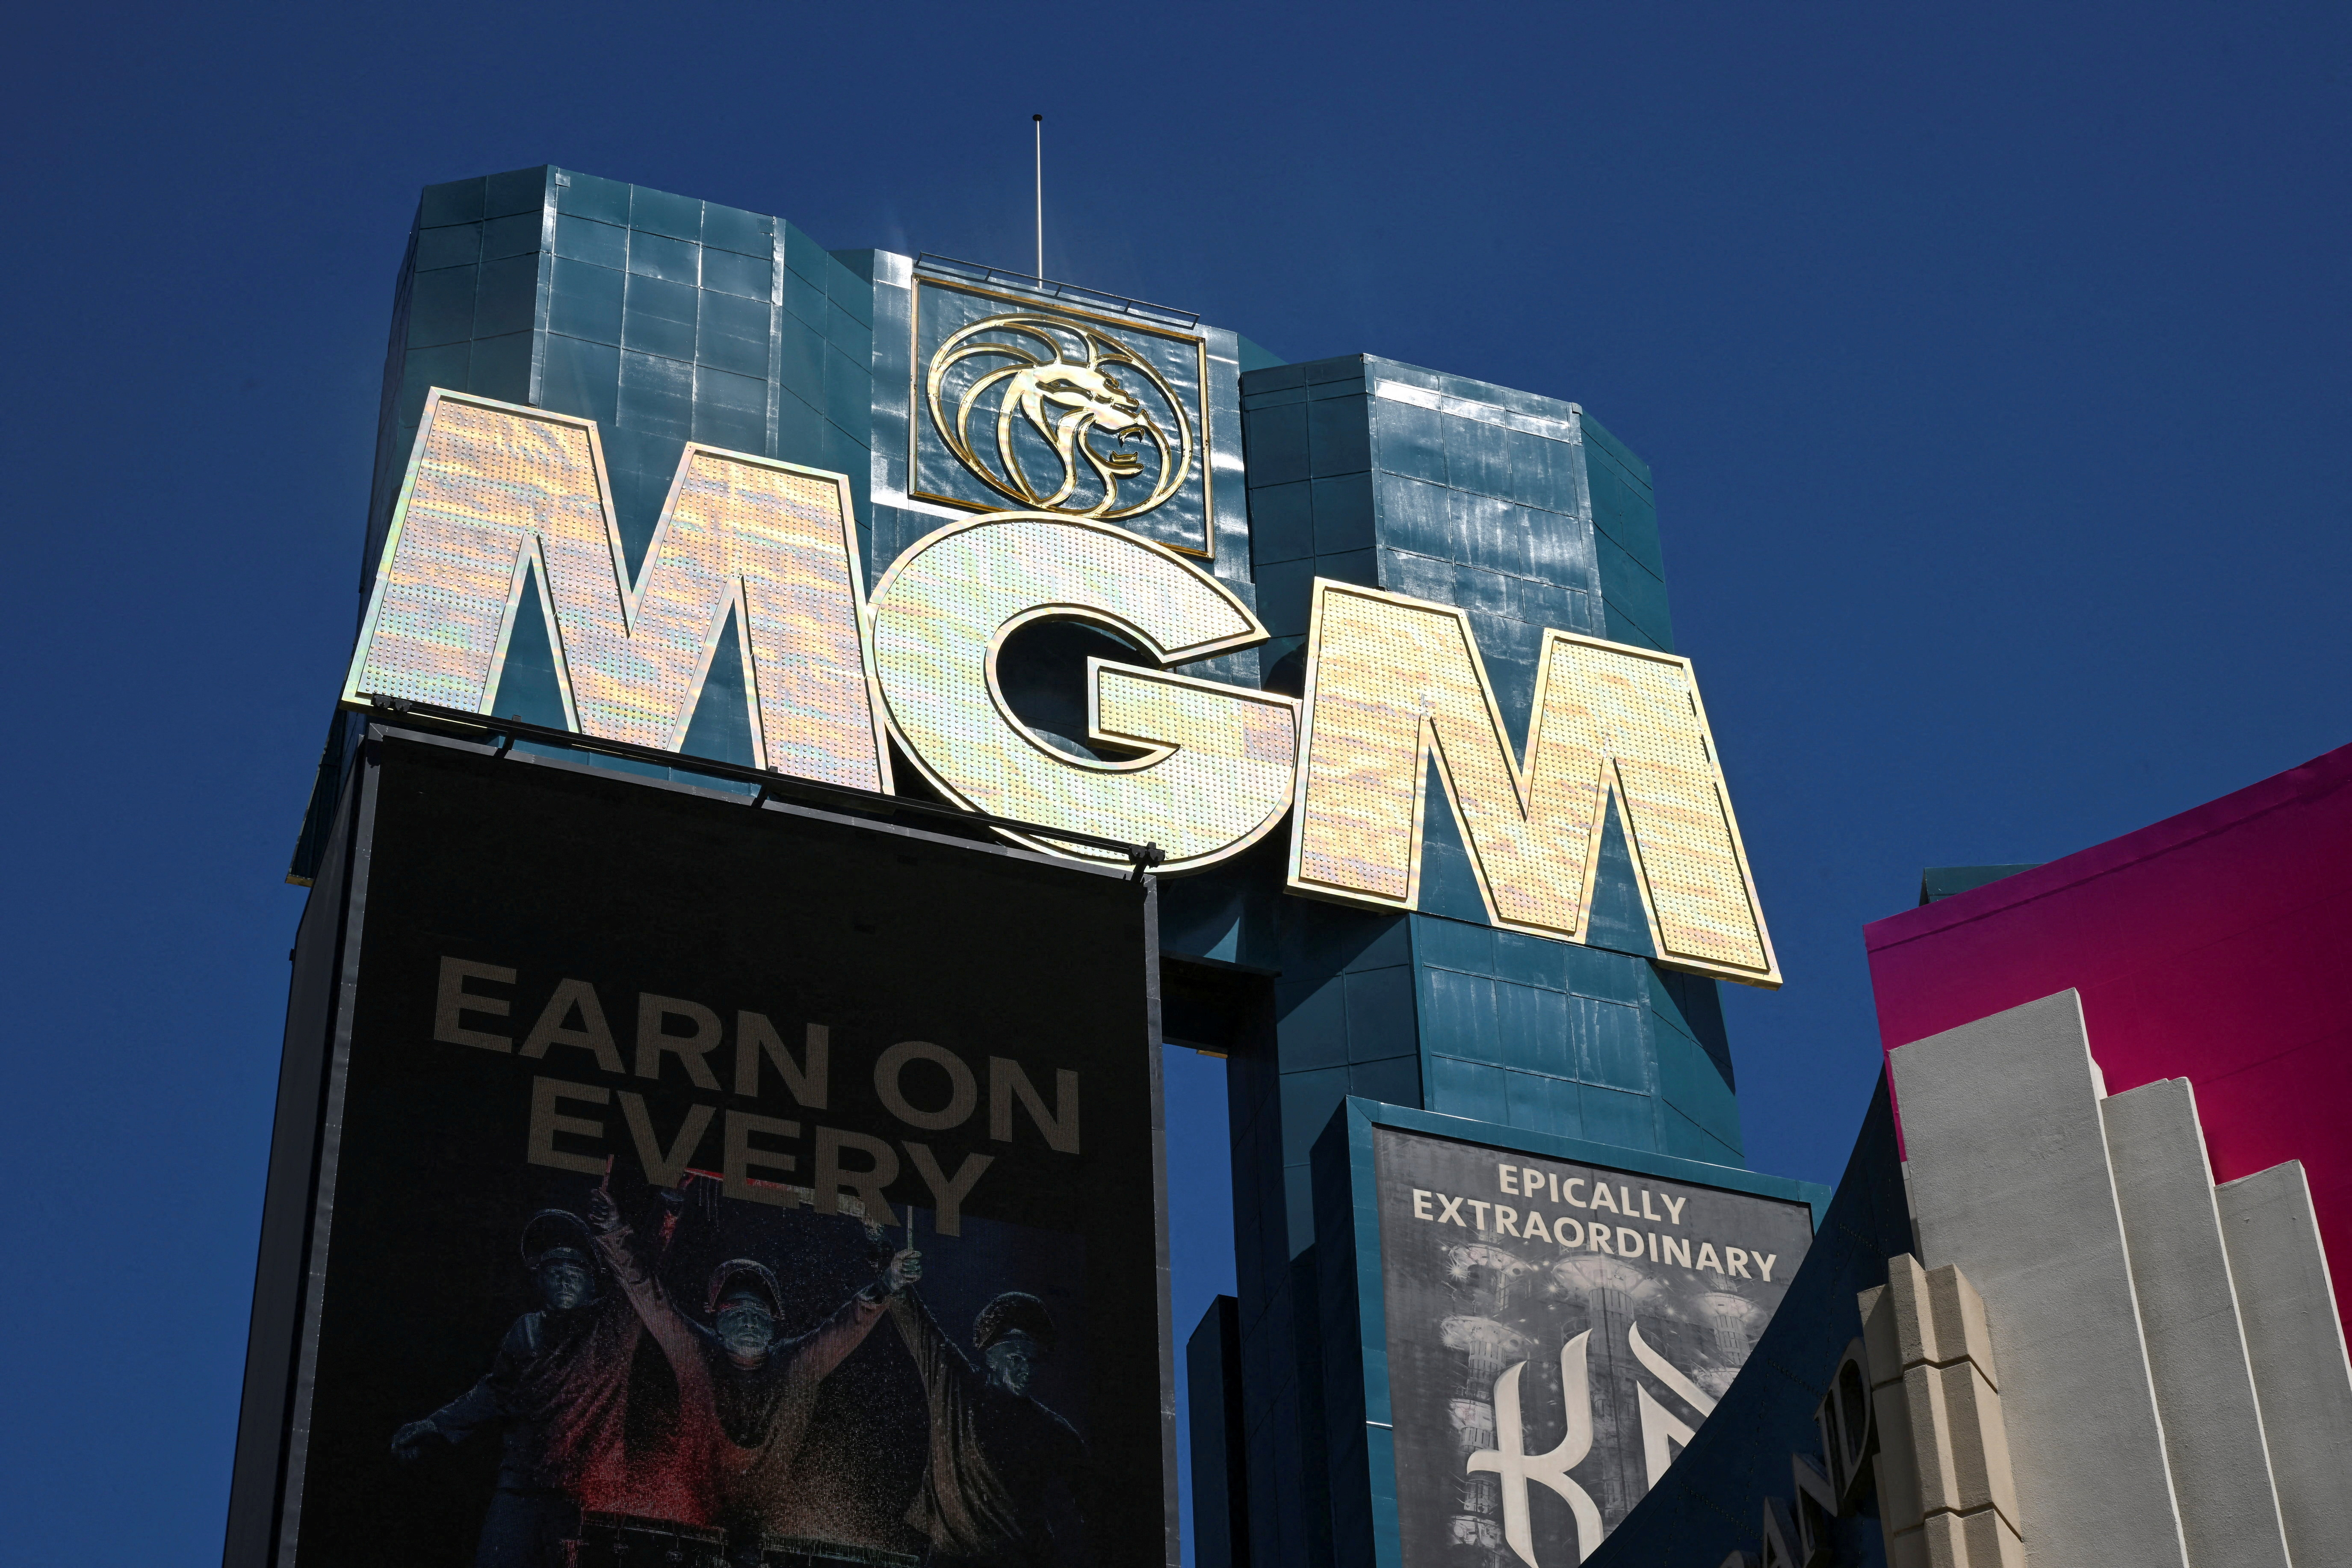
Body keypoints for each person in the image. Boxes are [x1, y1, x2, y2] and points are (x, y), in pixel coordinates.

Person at [591, 1202, 920, 1549]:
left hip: (771, 1530)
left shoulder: (796, 1365)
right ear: (715, 1319)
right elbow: (649, 1296)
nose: (748, 1321)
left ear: (773, 1321)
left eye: (758, 1311)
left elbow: (849, 1322)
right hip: (693, 1526)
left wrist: (889, 1282)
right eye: (735, 1311)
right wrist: (613, 1233)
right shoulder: (696, 1354)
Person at [391, 1208, 644, 1568]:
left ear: (593, 1279)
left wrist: (666, 1217)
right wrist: (436, 1424)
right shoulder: (526, 1330)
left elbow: (640, 1280)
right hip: (522, 1485)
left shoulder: (613, 1325)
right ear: (538, 1280)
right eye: (552, 1269)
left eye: (573, 1269)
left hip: (587, 1495)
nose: (562, 1276)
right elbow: (496, 1391)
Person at [886, 1289, 1090, 1568]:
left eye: (1033, 1360)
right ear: (991, 1357)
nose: (1027, 1370)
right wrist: (895, 1280)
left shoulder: (1053, 1429)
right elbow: (922, 1330)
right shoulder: (957, 1391)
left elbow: (1095, 1507)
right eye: (1017, 1358)